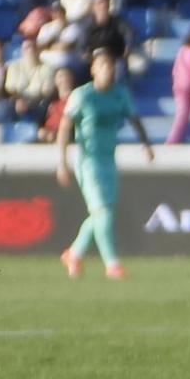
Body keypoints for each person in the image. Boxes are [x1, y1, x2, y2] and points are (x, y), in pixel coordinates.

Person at [57, 48, 154, 280]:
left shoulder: (120, 94)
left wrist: (146, 144)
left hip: (109, 159)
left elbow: (133, 118)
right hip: (88, 160)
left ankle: (74, 254)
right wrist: (61, 162)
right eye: (103, 66)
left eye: (111, 66)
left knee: (103, 213)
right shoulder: (82, 96)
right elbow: (64, 126)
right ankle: (112, 264)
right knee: (102, 210)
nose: (108, 70)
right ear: (94, 70)